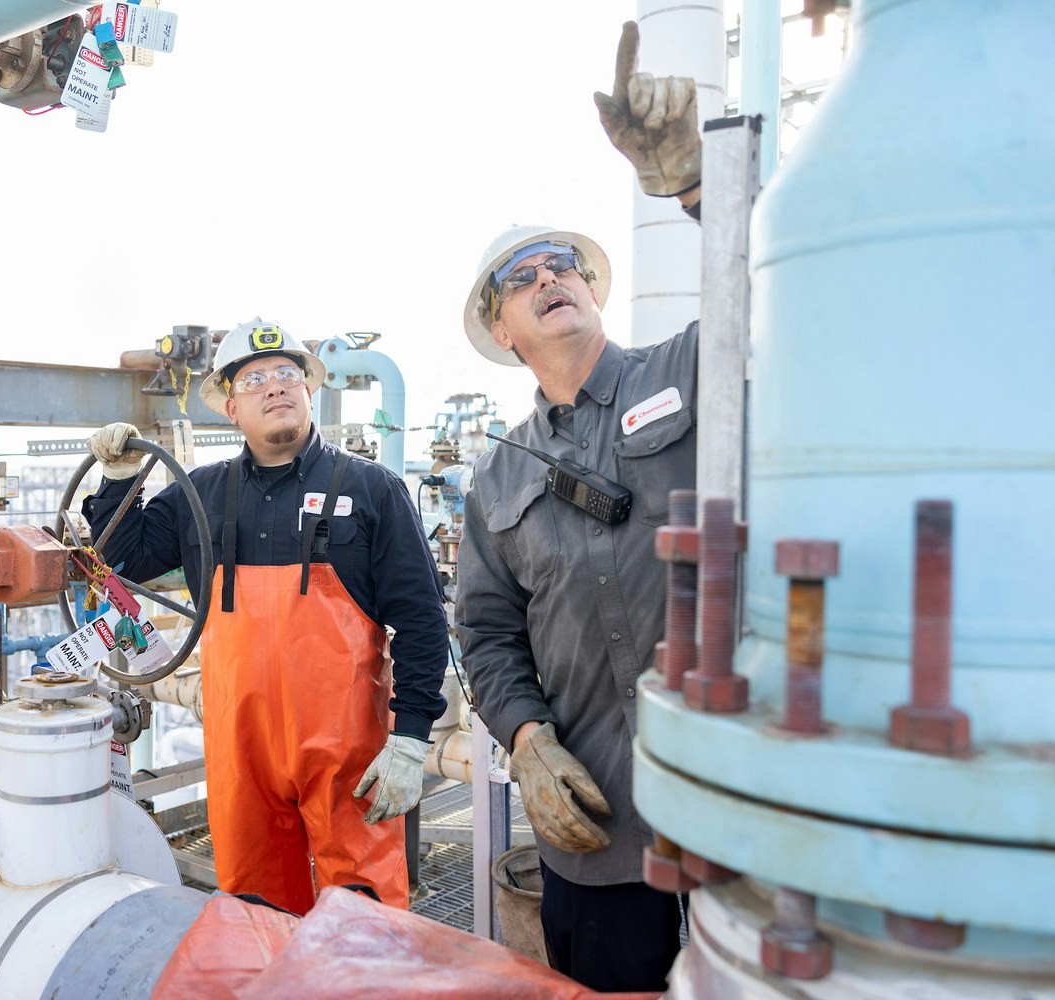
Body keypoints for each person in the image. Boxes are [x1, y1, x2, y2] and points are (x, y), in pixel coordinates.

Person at [454, 21, 704, 993]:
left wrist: (696, 186)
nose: (549, 277)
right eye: (524, 278)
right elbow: (485, 633)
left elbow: (783, 300)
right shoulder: (498, 481)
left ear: (592, 288)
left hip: (734, 816)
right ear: (503, 330)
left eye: (562, 264)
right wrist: (525, 739)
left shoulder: (688, 373)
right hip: (595, 837)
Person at [82, 318, 449, 915]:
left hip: (346, 757)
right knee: (255, 913)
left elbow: (421, 620)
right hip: (241, 754)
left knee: (363, 921)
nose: (275, 386)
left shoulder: (371, 488)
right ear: (231, 407)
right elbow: (121, 561)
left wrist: (409, 740)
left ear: (309, 391)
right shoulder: (200, 493)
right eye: (255, 380)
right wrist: (119, 481)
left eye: (287, 374)